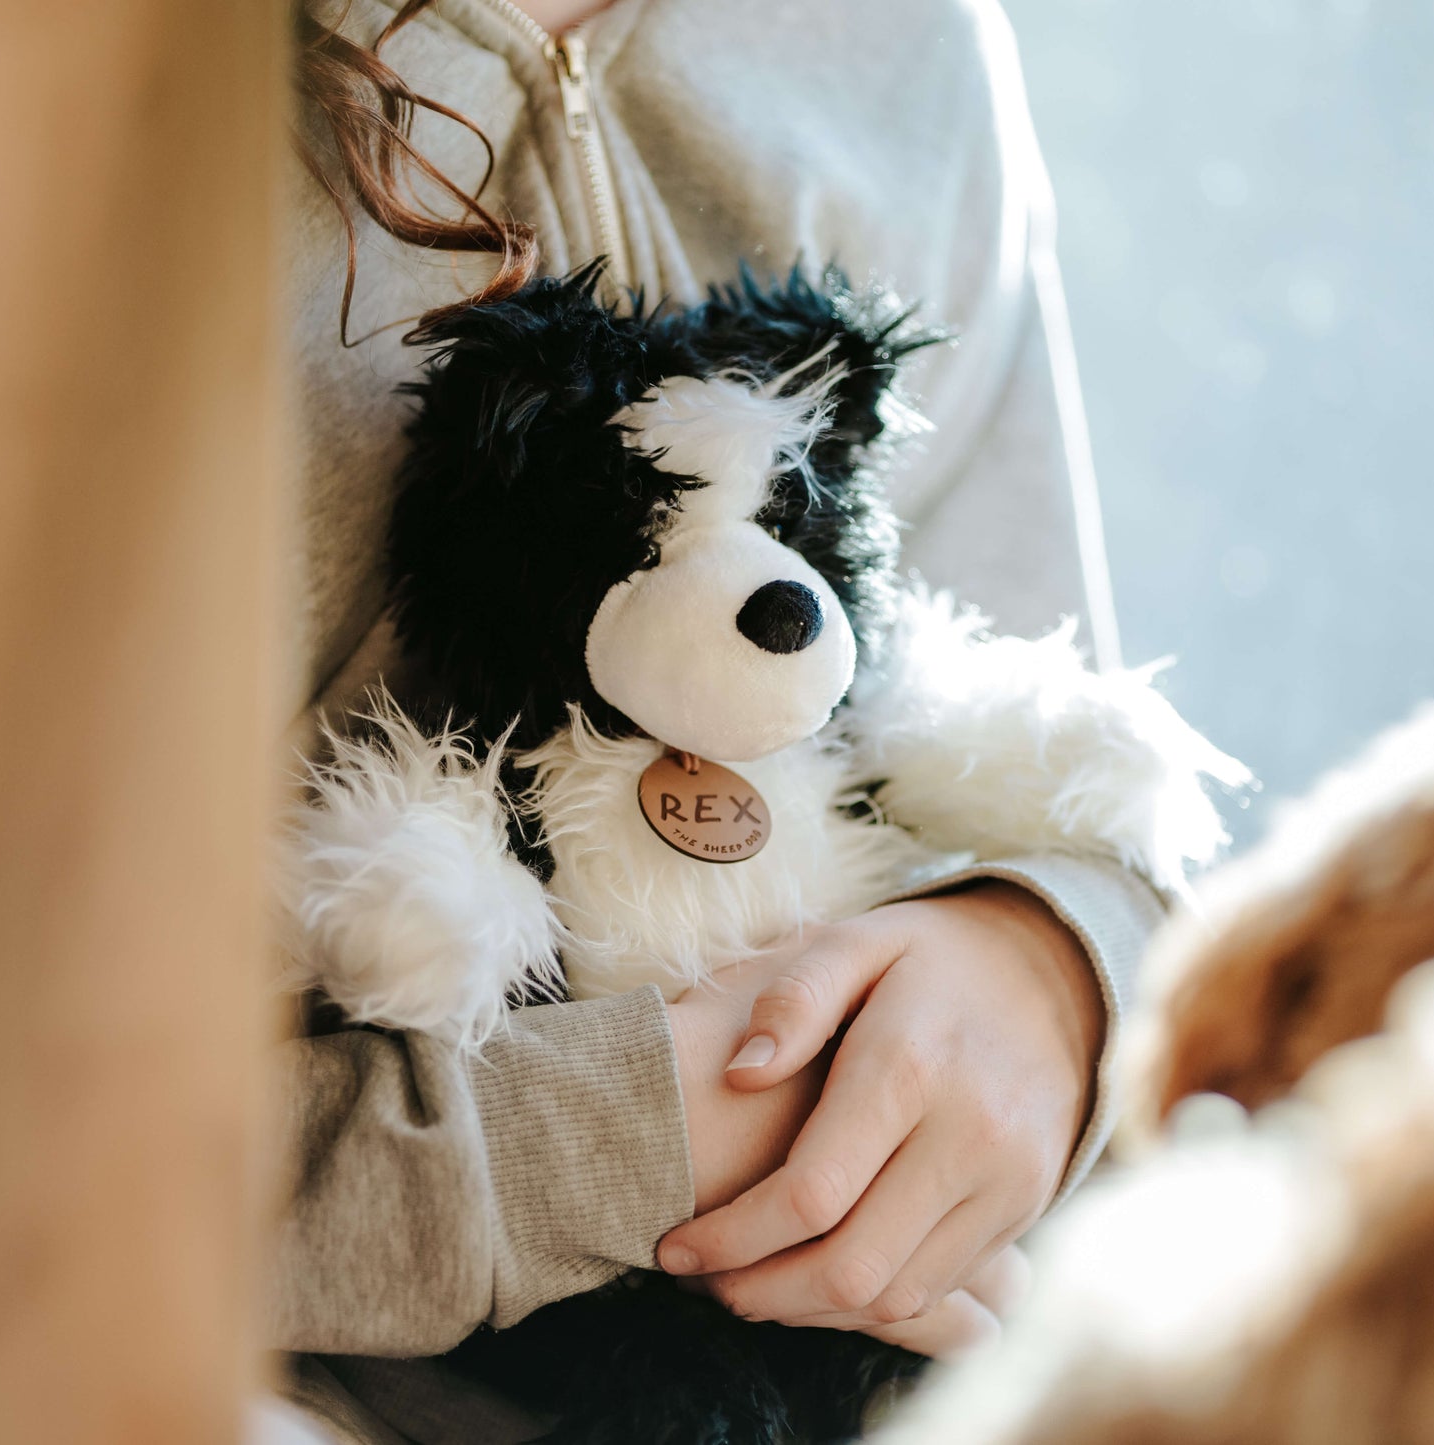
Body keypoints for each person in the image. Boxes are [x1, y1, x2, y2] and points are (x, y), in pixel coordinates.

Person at [272, 0, 1169, 1439]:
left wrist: (1048, 961)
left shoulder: (909, 39)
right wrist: (603, 1141)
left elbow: (1069, 756)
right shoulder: (83, 108)